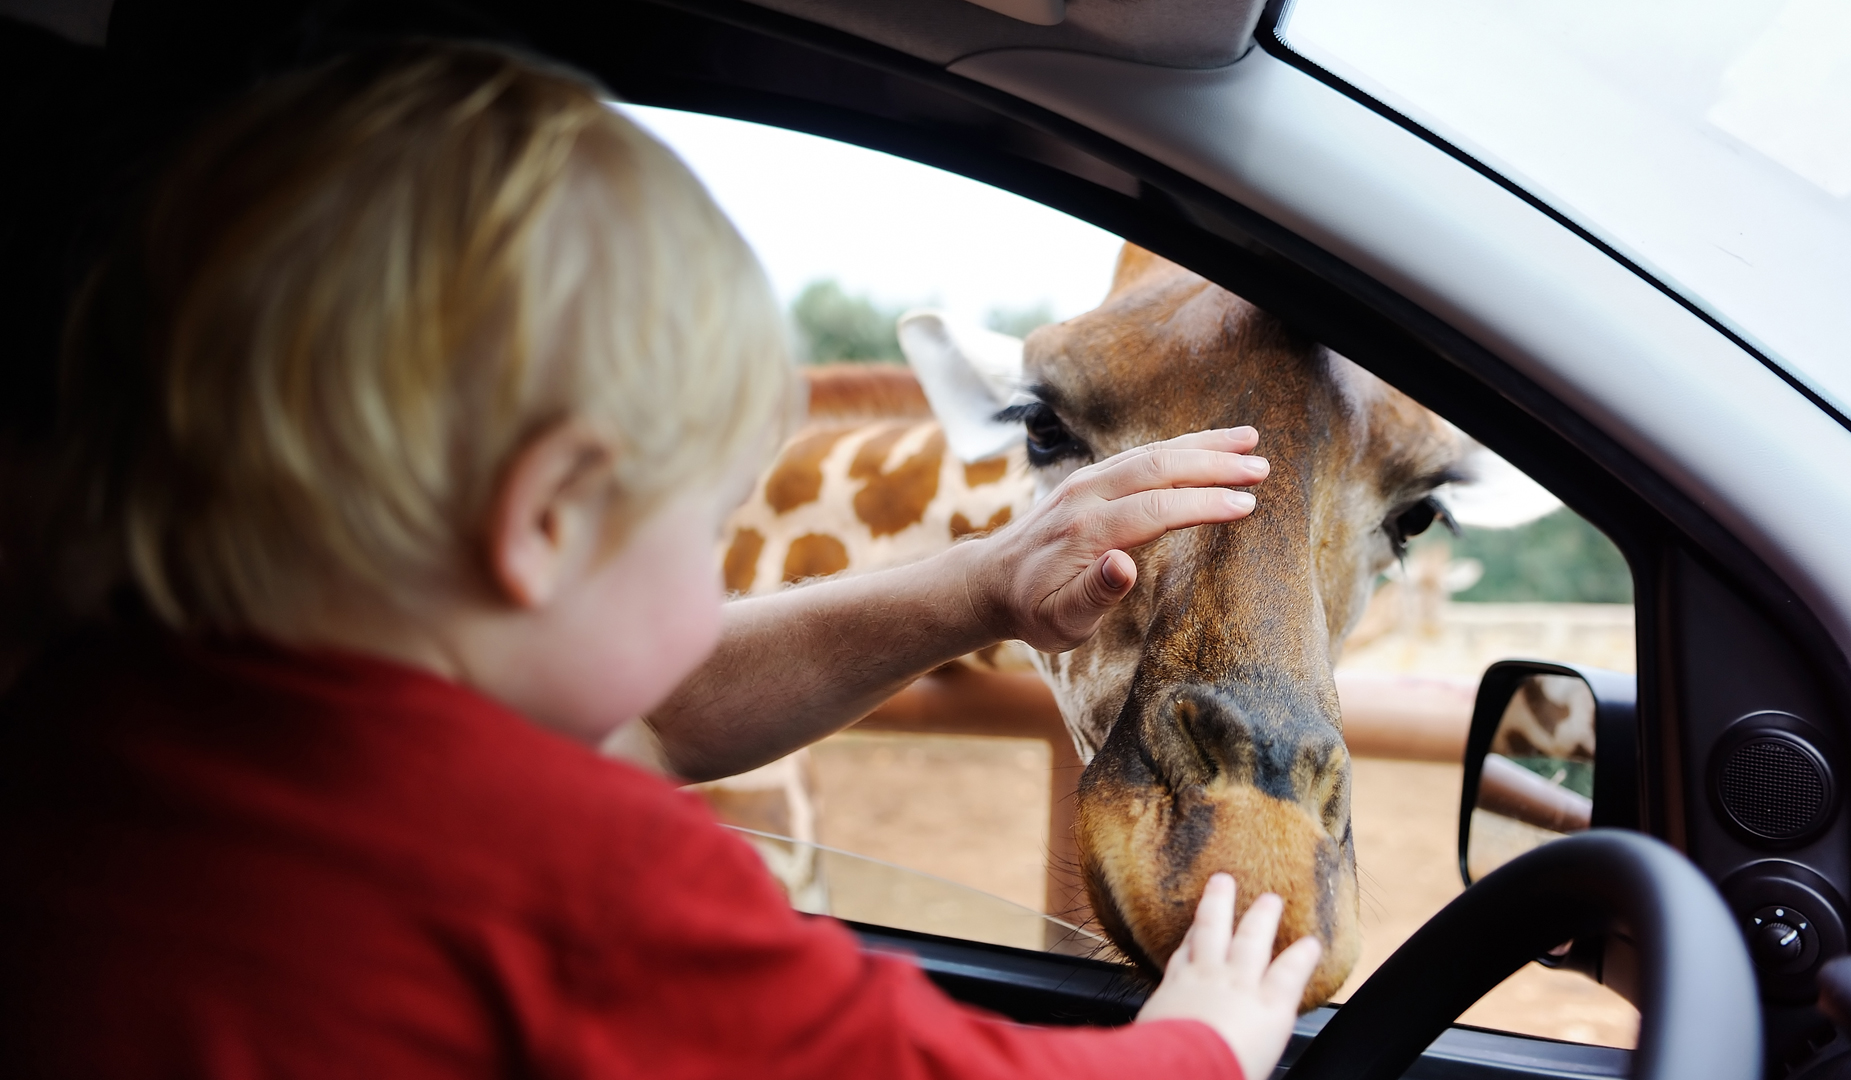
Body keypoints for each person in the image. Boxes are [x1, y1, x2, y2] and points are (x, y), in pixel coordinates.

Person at [0, 41, 1320, 1080]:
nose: (715, 577)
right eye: (704, 529)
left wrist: (982, 582)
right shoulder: (580, 871)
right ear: (551, 520)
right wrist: (1202, 1044)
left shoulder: (77, 728)